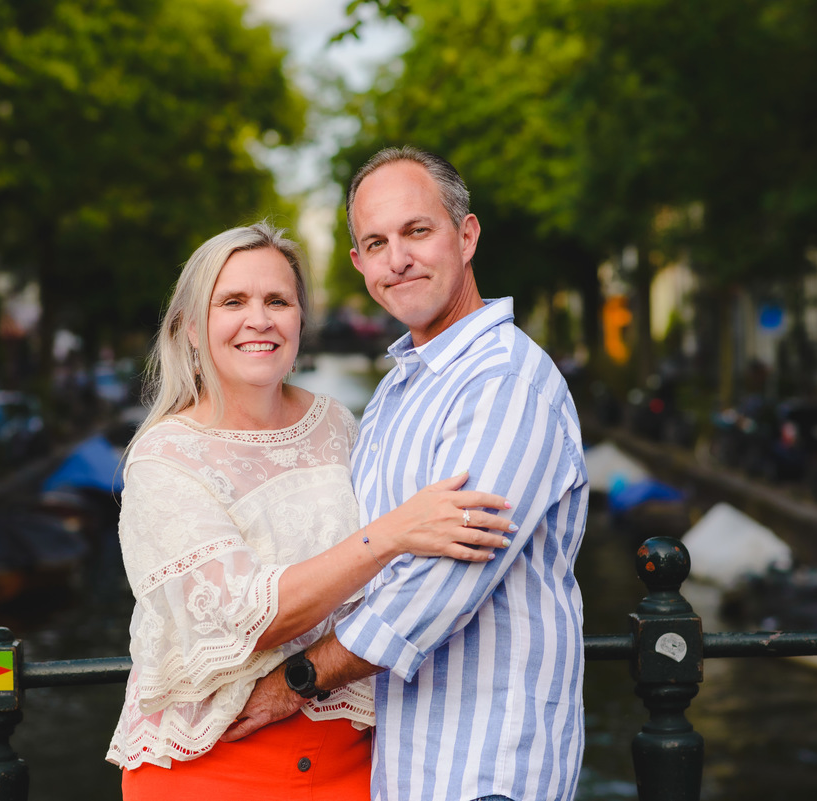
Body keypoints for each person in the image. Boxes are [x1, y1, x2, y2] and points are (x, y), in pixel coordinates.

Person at [223, 148, 589, 801]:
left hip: (486, 768)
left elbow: (440, 587)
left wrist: (297, 679)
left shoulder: (501, 382)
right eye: (376, 242)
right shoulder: (398, 393)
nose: (398, 259)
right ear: (359, 263)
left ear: (466, 235)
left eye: (417, 231)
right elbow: (364, 559)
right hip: (401, 767)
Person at [106, 222, 517, 800]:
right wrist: (393, 534)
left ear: (300, 320)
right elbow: (250, 619)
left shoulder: (335, 423)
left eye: (278, 300)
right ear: (191, 331)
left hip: (353, 755)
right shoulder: (165, 458)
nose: (260, 319)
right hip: (218, 760)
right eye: (232, 302)